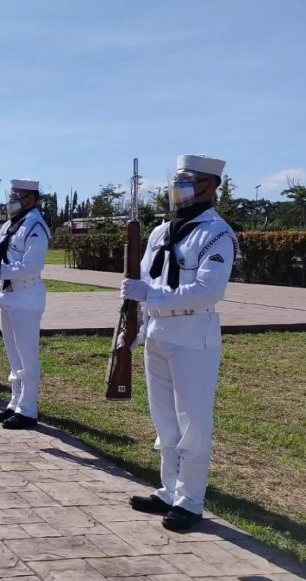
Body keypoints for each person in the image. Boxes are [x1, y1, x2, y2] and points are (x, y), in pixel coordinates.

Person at [120, 154, 238, 532]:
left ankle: (191, 501)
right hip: (158, 331)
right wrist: (136, 325)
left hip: (192, 334)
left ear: (209, 186)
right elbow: (144, 281)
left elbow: (207, 291)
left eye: (188, 180)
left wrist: (150, 295)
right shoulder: (161, 232)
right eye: (178, 179)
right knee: (164, 418)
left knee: (193, 421)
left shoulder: (217, 233)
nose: (178, 186)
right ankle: (169, 490)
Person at [0, 179, 50, 429]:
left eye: (16, 196)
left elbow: (31, 265)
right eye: (11, 195)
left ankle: (28, 409)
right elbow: (1, 257)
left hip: (26, 295)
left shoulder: (36, 226)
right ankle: (15, 402)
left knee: (27, 355)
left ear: (31, 199)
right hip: (9, 295)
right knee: (13, 354)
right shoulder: (11, 224)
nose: (11, 200)